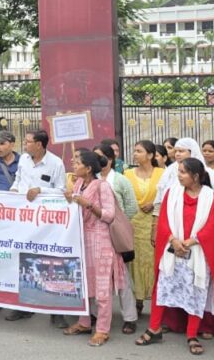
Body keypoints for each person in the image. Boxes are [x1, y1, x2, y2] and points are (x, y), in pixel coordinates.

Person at [136, 157, 214, 356]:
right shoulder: (171, 193)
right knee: (163, 289)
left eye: (183, 172)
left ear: (196, 176)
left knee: (194, 293)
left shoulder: (211, 197)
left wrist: (191, 241)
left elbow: (213, 226)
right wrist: (173, 240)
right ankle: (154, 328)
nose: (179, 176)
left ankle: (192, 334)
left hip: (198, 252)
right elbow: (163, 221)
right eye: (178, 171)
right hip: (172, 250)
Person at [62, 148, 126, 346]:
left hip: (100, 241)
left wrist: (87, 204)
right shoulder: (78, 183)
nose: (73, 164)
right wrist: (70, 199)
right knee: (84, 283)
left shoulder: (102, 186)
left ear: (88, 168)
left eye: (77, 162)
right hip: (82, 240)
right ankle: (84, 322)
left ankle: (102, 330)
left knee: (102, 287)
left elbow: (109, 215)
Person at [9, 129, 67, 326]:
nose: (25, 145)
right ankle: (24, 307)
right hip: (23, 218)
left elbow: (62, 190)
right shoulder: (24, 159)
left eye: (28, 142)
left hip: (46, 222)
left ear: (39, 145)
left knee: (50, 262)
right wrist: (13, 190)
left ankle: (56, 311)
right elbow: (18, 179)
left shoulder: (56, 163)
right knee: (24, 260)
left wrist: (40, 190)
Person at [93, 144, 139, 335]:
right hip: (94, 235)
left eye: (100, 156)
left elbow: (132, 206)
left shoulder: (120, 180)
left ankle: (130, 318)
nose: (96, 160)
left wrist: (117, 224)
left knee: (122, 277)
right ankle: (95, 315)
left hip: (114, 234)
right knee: (95, 276)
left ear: (110, 159)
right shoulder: (90, 179)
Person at [124, 140, 164, 315]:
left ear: (150, 155)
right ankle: (137, 301)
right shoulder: (127, 174)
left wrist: (154, 203)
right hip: (134, 224)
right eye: (134, 151)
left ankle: (157, 302)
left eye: (139, 151)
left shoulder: (163, 174)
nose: (135, 154)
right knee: (135, 262)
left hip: (155, 223)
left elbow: (167, 196)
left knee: (155, 262)